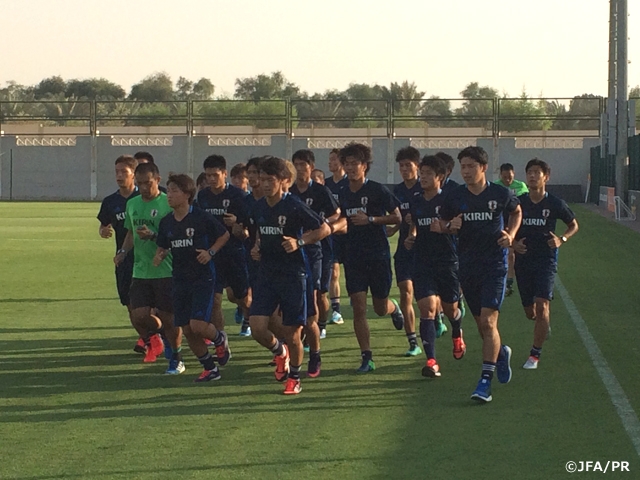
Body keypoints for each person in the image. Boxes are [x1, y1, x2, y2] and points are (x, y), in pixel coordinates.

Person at [440, 146, 522, 403]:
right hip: (467, 266)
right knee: (482, 326)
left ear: (483, 168)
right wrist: (449, 226)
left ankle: (485, 382)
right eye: (462, 166)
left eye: (470, 166)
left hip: (494, 266)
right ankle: (500, 354)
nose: (466, 171)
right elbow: (441, 222)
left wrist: (510, 234)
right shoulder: (454, 196)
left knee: (488, 322)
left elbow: (516, 211)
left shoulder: (500, 193)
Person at [249, 156, 331, 395]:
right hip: (266, 273)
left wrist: (299, 242)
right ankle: (279, 352)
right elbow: (260, 233)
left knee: (293, 332)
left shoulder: (294, 205)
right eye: (261, 179)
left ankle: (294, 377)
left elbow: (323, 228)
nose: (264, 184)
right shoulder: (259, 206)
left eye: (269, 180)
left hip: (293, 274)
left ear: (284, 181)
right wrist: (257, 247)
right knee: (257, 327)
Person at [332, 142, 405, 372]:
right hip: (354, 257)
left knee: (379, 307)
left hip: (378, 255)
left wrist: (371, 220)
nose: (351, 167)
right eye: (347, 163)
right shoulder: (342, 192)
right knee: (359, 307)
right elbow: (341, 219)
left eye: (355, 163)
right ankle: (367, 356)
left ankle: (394, 307)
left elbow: (397, 218)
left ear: (365, 166)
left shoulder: (377, 190)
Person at [154, 174, 232, 382]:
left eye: (174, 191)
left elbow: (224, 235)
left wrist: (211, 252)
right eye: (168, 191)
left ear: (187, 195)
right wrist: (160, 254)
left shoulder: (200, 217)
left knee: (198, 325)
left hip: (202, 277)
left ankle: (219, 338)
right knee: (187, 329)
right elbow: (163, 245)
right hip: (179, 279)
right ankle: (210, 368)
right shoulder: (166, 222)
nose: (168, 195)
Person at [114, 162, 184, 374]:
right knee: (138, 316)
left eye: (148, 183)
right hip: (141, 270)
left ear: (158, 180)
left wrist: (154, 236)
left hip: (165, 269)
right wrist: (123, 252)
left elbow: (176, 235)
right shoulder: (133, 204)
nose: (144, 187)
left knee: (169, 317)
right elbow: (130, 233)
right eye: (140, 183)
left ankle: (176, 357)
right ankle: (158, 337)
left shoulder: (167, 203)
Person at [513, 158, 578, 370]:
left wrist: (562, 239)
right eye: (529, 172)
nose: (532, 176)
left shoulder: (555, 203)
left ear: (546, 177)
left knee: (542, 306)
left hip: (546, 261)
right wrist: (513, 244)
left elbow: (573, 225)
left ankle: (534, 355)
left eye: (536, 172)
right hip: (523, 262)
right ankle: (543, 324)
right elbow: (506, 228)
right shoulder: (518, 202)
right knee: (530, 312)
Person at [405, 155, 466, 378]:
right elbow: (414, 225)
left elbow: (459, 227)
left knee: (450, 309)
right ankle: (431, 361)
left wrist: (446, 226)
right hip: (422, 261)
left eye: (428, 174)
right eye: (421, 173)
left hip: (447, 261)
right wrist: (411, 237)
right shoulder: (416, 200)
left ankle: (457, 331)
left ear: (440, 177)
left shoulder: (450, 200)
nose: (423, 178)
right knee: (427, 309)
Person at [290, 149, 340, 376]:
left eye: (303, 165)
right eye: (296, 165)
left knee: (317, 295)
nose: (300, 169)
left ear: (311, 167)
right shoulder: (289, 193)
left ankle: (317, 337)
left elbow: (337, 214)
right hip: (290, 255)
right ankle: (292, 347)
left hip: (315, 251)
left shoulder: (320, 191)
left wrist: (323, 222)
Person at [195, 155, 251, 336]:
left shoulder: (238, 196)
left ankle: (249, 315)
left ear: (224, 174)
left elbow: (248, 229)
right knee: (215, 299)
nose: (211, 179)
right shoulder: (203, 196)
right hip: (212, 255)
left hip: (235, 253)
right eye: (208, 175)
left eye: (215, 175)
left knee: (239, 297)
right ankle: (221, 339)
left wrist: (237, 225)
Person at [97, 155, 141, 352]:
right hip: (123, 258)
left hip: (147, 258)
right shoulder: (110, 201)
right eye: (117, 171)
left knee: (151, 303)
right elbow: (103, 225)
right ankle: (147, 337)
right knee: (129, 303)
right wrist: (103, 231)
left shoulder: (145, 198)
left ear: (134, 174)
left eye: (124, 172)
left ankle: (158, 339)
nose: (119, 175)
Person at [387, 147, 423, 356]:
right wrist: (393, 227)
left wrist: (416, 229)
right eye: (401, 166)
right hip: (404, 248)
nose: (404, 169)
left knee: (427, 296)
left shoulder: (425, 187)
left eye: (408, 165)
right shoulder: (397, 192)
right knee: (405, 291)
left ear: (417, 166)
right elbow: (396, 217)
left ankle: (437, 318)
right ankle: (412, 342)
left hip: (425, 249)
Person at [495, 163, 529, 296]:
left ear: (513, 174)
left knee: (517, 251)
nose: (507, 180)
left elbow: (522, 201)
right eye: (504, 177)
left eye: (509, 177)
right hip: (502, 223)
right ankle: (507, 282)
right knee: (509, 252)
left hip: (518, 222)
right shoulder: (496, 186)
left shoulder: (520, 186)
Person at [324, 148, 347, 325]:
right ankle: (336, 311)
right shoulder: (326, 185)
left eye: (334, 160)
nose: (330, 162)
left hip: (350, 235)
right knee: (333, 273)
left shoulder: (350, 183)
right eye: (329, 159)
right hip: (332, 235)